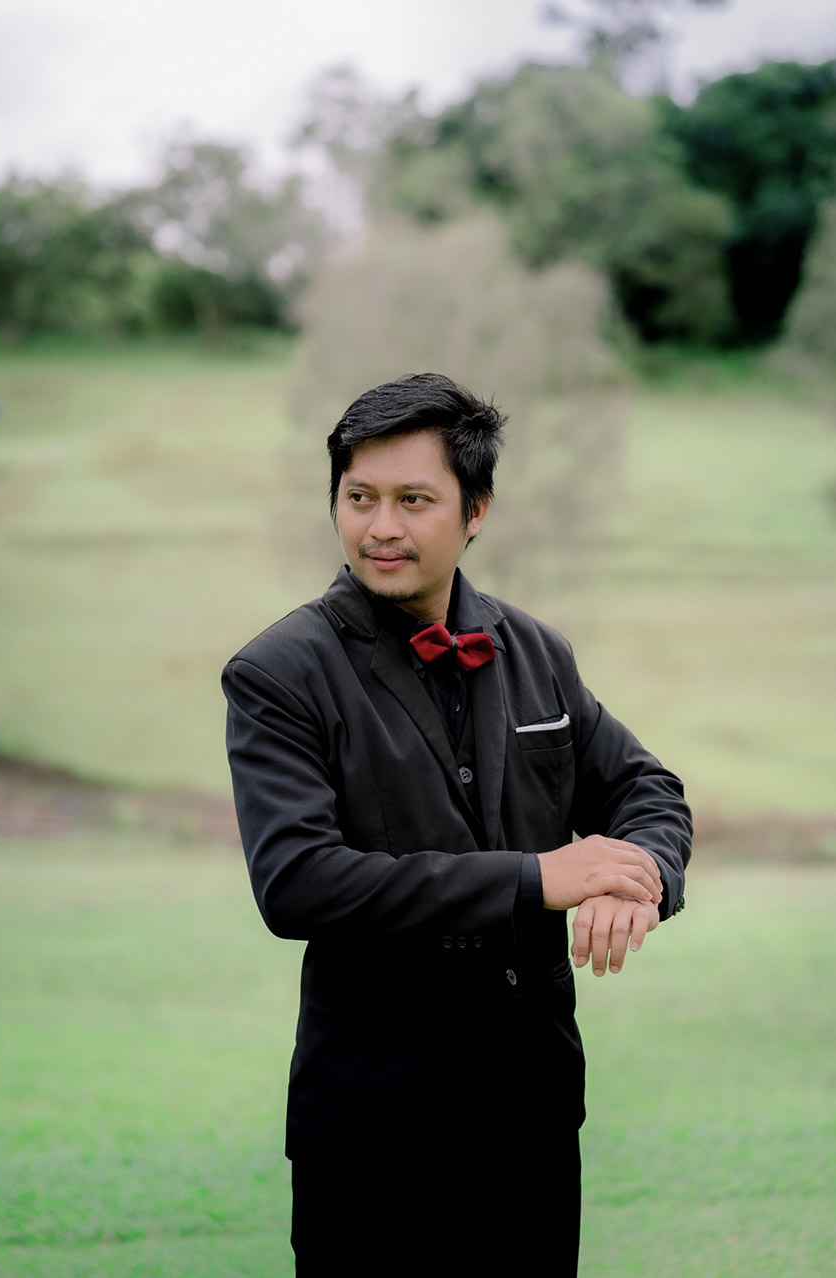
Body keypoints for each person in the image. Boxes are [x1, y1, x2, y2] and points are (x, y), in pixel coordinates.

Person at [222, 373, 691, 1277]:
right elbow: (298, 883)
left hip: (532, 1120)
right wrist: (538, 879)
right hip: (372, 1134)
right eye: (359, 497)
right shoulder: (277, 673)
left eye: (413, 500)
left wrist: (639, 877)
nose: (380, 527)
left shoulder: (538, 653)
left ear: (475, 511)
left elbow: (648, 790)